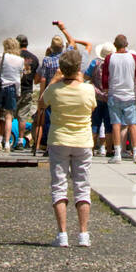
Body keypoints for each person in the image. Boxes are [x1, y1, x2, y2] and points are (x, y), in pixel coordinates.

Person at [40, 46, 97, 246]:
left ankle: (62, 234)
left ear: (61, 69)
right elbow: (92, 106)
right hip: (82, 141)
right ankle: (83, 234)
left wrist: (55, 80)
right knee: (82, 186)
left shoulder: (54, 90)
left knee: (59, 185)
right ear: (79, 68)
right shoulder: (88, 90)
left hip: (59, 140)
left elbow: (41, 104)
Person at [101, 35, 136, 163]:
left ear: (115, 45)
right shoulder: (133, 58)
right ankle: (135, 153)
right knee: (132, 124)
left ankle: (117, 153)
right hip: (130, 95)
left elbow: (105, 78)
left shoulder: (109, 58)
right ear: (126, 44)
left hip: (115, 94)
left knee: (116, 123)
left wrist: (106, 90)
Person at [0, 36, 26, 151]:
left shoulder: (1, 57)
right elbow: (19, 77)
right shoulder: (20, 60)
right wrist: (18, 92)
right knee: (8, 117)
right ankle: (7, 143)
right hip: (12, 88)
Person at [87, 42, 115, 157]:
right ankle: (109, 150)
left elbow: (87, 76)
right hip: (109, 97)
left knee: (95, 123)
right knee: (109, 125)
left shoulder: (95, 62)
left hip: (96, 96)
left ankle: (91, 149)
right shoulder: (113, 63)